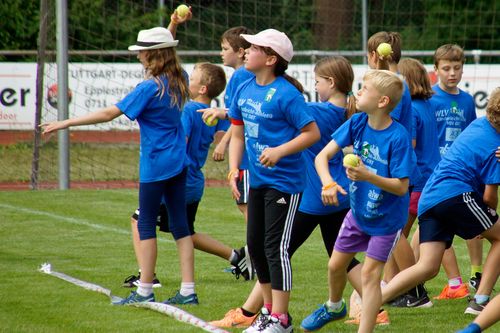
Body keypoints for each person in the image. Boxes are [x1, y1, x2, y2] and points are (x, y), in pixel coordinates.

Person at [210, 56, 379, 329]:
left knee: (274, 250)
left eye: (318, 81)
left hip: (313, 197)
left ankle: (253, 312)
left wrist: (225, 112)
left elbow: (274, 110)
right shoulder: (343, 113)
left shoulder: (319, 112)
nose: (315, 85)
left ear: (331, 83)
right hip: (336, 194)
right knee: (341, 259)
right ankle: (376, 308)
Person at [41, 27, 194, 305]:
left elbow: (109, 113)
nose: (139, 57)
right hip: (178, 160)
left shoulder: (148, 88)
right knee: (180, 226)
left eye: (141, 52)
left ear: (153, 54)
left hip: (156, 163)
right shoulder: (180, 78)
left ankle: (145, 290)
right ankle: (188, 290)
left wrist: (65, 123)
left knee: (146, 224)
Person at [122, 63, 252, 302]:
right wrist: (221, 145)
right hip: (195, 182)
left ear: (202, 88)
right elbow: (232, 130)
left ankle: (147, 277)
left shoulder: (189, 110)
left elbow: (180, 142)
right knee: (184, 232)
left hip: (177, 179)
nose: (187, 82)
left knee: (140, 221)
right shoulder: (211, 114)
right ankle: (236, 257)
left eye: (192, 79)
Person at [301, 70, 413, 333]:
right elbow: (322, 157)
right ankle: (334, 305)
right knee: (335, 265)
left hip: (387, 221)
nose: (357, 92)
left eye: (364, 88)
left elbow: (401, 187)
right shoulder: (357, 123)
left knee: (369, 276)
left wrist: (368, 175)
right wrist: (328, 182)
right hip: (358, 214)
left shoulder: (398, 137)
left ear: (382, 101)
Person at [227, 28, 320, 333]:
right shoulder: (244, 88)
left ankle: (281, 319)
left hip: (285, 182)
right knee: (254, 245)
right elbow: (238, 133)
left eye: (252, 48)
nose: (245, 51)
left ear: (270, 59)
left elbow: (311, 134)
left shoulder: (287, 94)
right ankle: (267, 312)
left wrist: (280, 151)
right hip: (257, 180)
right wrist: (233, 170)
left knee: (275, 247)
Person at [379, 88, 500, 317]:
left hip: (430, 197)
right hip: (455, 194)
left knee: (427, 267)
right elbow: (489, 197)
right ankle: (481, 300)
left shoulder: (479, 125)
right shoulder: (497, 148)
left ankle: (373, 302)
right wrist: (489, 215)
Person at [430, 43, 483, 293]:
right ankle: (454, 282)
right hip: (435, 173)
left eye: (457, 68)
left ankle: (476, 273)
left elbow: (473, 135)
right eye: (446, 68)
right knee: (439, 225)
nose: (452, 73)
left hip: (464, 172)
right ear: (436, 70)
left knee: (474, 224)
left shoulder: (467, 101)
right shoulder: (429, 99)